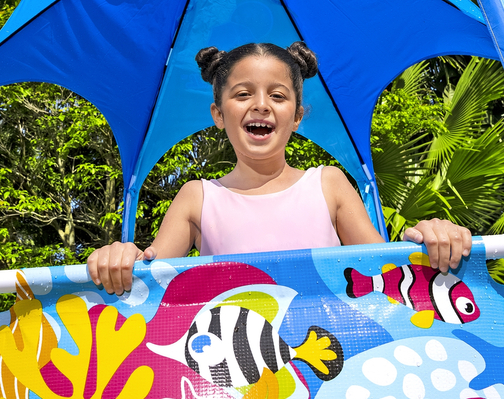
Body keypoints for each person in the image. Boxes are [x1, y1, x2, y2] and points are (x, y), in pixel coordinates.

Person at [87, 41, 472, 295]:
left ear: (298, 116)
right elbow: (149, 282)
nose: (261, 105)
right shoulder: (197, 197)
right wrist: (120, 258)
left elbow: (389, 268)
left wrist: (430, 238)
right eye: (243, 94)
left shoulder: (329, 184)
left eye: (277, 95)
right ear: (218, 114)